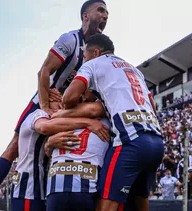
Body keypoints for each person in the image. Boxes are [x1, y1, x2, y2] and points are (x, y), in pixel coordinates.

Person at [0, 1, 109, 209]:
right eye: (101, 10)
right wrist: (44, 106)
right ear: (85, 15)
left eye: (107, 13)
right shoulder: (70, 39)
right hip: (44, 100)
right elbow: (43, 72)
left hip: (65, 106)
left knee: (51, 152)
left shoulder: (95, 54)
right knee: (15, 146)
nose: (105, 15)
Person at [63, 34, 163, 211]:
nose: (84, 59)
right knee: (140, 202)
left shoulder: (92, 64)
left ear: (95, 52)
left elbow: (68, 98)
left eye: (85, 55)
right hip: (156, 141)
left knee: (107, 203)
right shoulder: (134, 69)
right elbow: (153, 106)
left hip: (130, 141)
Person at [10, 95, 108, 211]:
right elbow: (45, 129)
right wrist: (49, 144)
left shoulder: (64, 120)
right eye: (54, 99)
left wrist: (49, 144)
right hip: (32, 187)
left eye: (60, 99)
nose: (59, 103)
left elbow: (95, 109)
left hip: (57, 188)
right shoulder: (41, 116)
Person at [45, 97, 110, 211]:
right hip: (57, 188)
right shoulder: (58, 120)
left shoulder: (105, 112)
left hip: (84, 188)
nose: (83, 96)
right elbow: (46, 126)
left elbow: (95, 109)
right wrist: (49, 143)